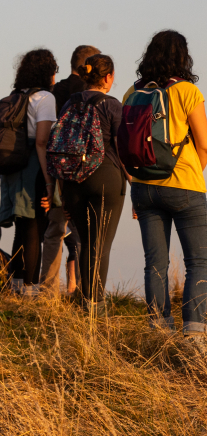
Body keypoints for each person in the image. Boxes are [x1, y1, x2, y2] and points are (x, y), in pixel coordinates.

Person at [125, 31, 207, 348]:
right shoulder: (188, 91)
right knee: (198, 263)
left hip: (143, 186)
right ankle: (193, 339)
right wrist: (186, 177)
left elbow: (125, 146)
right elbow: (204, 146)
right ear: (183, 57)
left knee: (155, 264)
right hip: (184, 183)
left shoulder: (131, 93)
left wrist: (137, 182)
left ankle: (158, 333)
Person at [60, 54, 126, 313]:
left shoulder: (68, 104)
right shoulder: (112, 105)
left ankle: (85, 301)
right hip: (106, 177)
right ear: (108, 77)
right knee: (101, 244)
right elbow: (122, 148)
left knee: (85, 242)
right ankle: (95, 306)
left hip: (72, 179)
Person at [40, 45, 100, 295]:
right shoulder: (90, 93)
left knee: (55, 229)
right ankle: (87, 289)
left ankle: (47, 287)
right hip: (84, 168)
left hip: (58, 167)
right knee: (87, 231)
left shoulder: (56, 91)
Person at [0, 49, 59, 295]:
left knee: (22, 227)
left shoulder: (12, 97)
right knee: (35, 228)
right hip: (34, 164)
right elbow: (41, 142)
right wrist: (49, 182)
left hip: (11, 166)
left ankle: (15, 284)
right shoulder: (45, 98)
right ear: (48, 73)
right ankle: (30, 288)